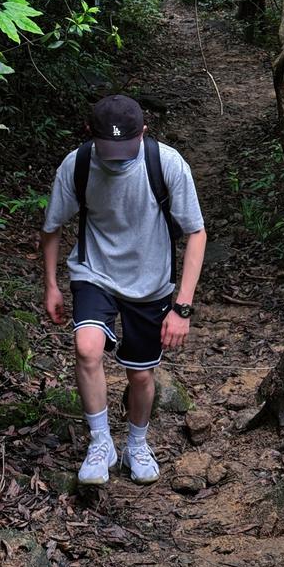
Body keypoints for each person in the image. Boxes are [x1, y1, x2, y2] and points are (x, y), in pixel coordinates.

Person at [41, 94, 206, 486]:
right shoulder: (77, 165)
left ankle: (136, 442)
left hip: (150, 283)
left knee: (141, 376)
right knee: (86, 348)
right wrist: (51, 285)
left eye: (126, 146)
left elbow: (196, 233)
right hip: (95, 272)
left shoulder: (166, 164)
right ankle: (100, 443)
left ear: (143, 134)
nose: (117, 156)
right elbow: (52, 228)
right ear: (89, 135)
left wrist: (182, 306)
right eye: (108, 147)